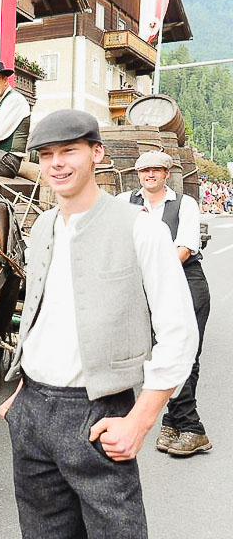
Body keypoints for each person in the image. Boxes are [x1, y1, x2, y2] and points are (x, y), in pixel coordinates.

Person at [0, 109, 198, 538]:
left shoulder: (141, 230)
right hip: (31, 412)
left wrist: (140, 421)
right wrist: (21, 392)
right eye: (47, 154)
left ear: (97, 154)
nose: (57, 163)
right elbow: (40, 314)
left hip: (98, 411)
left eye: (69, 151)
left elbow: (180, 333)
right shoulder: (43, 228)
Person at [118, 150, 212, 456]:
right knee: (161, 353)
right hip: (146, 285)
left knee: (185, 354)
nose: (150, 175)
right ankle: (174, 424)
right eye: (145, 170)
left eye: (156, 170)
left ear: (167, 173)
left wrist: (148, 270)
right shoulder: (124, 202)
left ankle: (192, 428)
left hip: (186, 281)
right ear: (138, 174)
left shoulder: (184, 204)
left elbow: (183, 248)